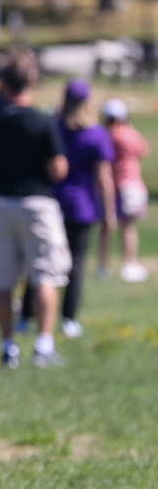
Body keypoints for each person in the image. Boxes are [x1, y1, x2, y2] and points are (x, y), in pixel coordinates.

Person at [0, 53, 69, 368]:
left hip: (0, 203)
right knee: (44, 276)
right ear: (31, 81)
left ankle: (7, 347)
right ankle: (43, 346)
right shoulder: (43, 121)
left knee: (3, 282)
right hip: (37, 203)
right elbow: (58, 169)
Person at [30, 79, 114, 338]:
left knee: (41, 263)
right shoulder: (96, 133)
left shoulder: (53, 127)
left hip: (51, 202)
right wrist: (109, 211)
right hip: (80, 207)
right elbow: (104, 177)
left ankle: (25, 316)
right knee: (74, 266)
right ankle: (68, 319)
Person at [103, 98, 148, 281]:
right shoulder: (127, 133)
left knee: (107, 225)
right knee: (128, 226)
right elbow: (143, 150)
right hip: (129, 182)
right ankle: (128, 263)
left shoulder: (106, 134)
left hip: (111, 183)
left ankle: (102, 265)